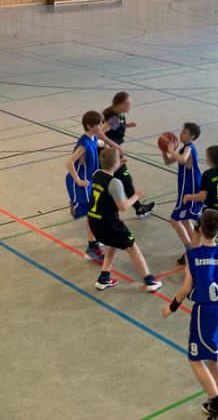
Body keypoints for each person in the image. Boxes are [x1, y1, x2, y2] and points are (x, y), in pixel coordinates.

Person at [162, 209, 218, 420]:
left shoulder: (193, 256)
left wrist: (171, 307)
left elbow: (186, 287)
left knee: (195, 359)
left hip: (206, 312)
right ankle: (217, 398)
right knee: (213, 354)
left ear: (199, 228)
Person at [89, 149, 162, 292]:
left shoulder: (96, 174)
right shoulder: (115, 183)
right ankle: (149, 280)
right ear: (116, 163)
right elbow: (123, 207)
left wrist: (116, 163)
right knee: (132, 246)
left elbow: (108, 169)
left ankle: (104, 278)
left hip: (94, 222)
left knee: (113, 244)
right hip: (109, 225)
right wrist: (136, 196)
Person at [99, 91, 155, 218]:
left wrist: (126, 125)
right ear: (121, 104)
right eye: (128, 103)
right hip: (111, 153)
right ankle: (139, 208)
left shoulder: (116, 113)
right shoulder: (115, 117)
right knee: (126, 179)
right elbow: (100, 133)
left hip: (109, 152)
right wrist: (115, 146)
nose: (130, 106)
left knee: (110, 180)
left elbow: (113, 127)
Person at [66, 111, 105, 262]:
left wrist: (106, 145)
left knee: (93, 211)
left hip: (89, 180)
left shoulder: (93, 138)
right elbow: (69, 162)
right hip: (80, 182)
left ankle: (93, 240)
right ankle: (92, 247)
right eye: (99, 124)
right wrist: (78, 180)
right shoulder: (83, 145)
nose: (101, 126)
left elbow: (98, 143)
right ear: (89, 126)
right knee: (92, 213)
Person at [162, 122, 203, 265]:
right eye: (182, 131)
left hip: (190, 190)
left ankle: (190, 249)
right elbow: (168, 161)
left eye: (185, 132)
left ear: (192, 136)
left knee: (174, 219)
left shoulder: (189, 148)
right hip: (185, 189)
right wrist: (164, 151)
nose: (181, 134)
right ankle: (196, 248)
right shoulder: (183, 149)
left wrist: (171, 150)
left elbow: (183, 159)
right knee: (185, 219)